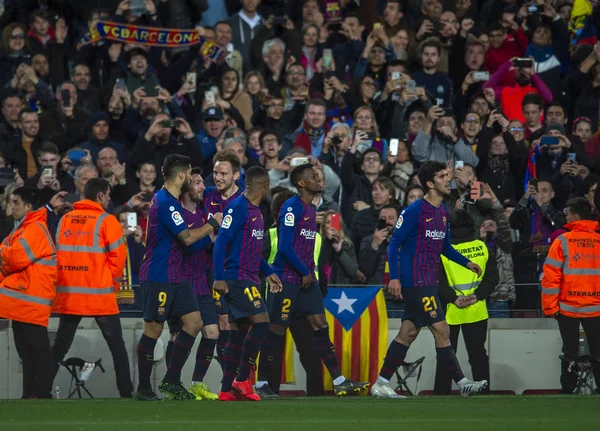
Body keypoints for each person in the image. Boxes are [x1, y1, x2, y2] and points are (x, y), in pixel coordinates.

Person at [371, 161, 488, 398]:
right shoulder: (413, 211)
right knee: (442, 329)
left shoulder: (443, 213)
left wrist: (467, 263)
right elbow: (394, 244)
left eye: (447, 175)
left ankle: (381, 383)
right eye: (443, 176)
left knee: (408, 332)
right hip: (415, 282)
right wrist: (394, 278)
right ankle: (462, 382)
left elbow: (445, 247)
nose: (448, 179)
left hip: (428, 281)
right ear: (429, 183)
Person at [256, 163, 369, 398]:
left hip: (307, 284)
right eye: (314, 177)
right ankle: (262, 384)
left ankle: (339, 380)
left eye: (320, 176)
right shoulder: (291, 208)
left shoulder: (310, 211)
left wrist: (308, 275)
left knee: (321, 327)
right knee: (275, 332)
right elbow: (285, 247)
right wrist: (304, 271)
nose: (320, 180)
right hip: (286, 281)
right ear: (301, 183)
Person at [135, 154, 223, 401]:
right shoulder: (164, 202)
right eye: (190, 175)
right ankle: (143, 388)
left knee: (194, 323)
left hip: (177, 275)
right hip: (159, 275)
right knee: (154, 329)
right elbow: (186, 238)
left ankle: (171, 381)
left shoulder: (170, 201)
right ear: (182, 175)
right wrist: (211, 224)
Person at [52, 178, 133, 398]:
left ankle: (39, 389)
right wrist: (111, 284)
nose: (108, 199)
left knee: (60, 346)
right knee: (117, 346)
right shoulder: (107, 221)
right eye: (107, 195)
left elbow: (58, 255)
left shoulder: (65, 219)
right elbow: (118, 259)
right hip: (99, 296)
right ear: (100, 196)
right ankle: (126, 392)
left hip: (70, 295)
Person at [212, 166, 283, 401]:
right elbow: (221, 242)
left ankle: (225, 390)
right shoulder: (238, 207)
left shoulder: (256, 211)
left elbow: (252, 250)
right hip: (237, 278)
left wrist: (269, 271)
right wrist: (219, 277)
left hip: (250, 275)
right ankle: (242, 379)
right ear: (265, 186)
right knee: (262, 323)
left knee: (237, 335)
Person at [168, 167, 220, 400]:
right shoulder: (177, 213)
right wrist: (209, 234)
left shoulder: (203, 214)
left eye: (202, 182)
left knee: (212, 331)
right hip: (180, 283)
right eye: (197, 182)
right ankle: (172, 383)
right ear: (186, 186)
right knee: (177, 335)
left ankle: (197, 383)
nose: (202, 187)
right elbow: (187, 245)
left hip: (201, 283)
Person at [434, 209, 499, 395]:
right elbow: (492, 278)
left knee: (446, 354)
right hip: (476, 308)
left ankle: (441, 393)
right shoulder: (482, 246)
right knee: (478, 355)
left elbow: (438, 281)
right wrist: (477, 296)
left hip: (449, 309)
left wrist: (454, 298)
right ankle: (483, 392)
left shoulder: (443, 249)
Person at [0, 187, 56, 399]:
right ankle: (30, 395)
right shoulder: (23, 229)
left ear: (29, 207)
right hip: (22, 302)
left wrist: (4, 252)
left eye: (16, 203)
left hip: (31, 302)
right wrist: (6, 253)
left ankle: (42, 394)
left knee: (38, 352)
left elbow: (13, 258)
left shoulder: (35, 229)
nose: (12, 207)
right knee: (28, 354)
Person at [541, 197, 600, 393]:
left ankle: (567, 390)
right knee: (598, 351)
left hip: (567, 308)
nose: (565, 217)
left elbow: (551, 277)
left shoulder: (562, 241)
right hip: (596, 309)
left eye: (567, 213)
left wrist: (550, 307)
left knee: (570, 352)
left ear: (574, 215)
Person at [202, 151, 243, 365]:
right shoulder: (207, 195)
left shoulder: (244, 201)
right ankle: (230, 374)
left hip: (238, 271)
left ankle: (237, 374)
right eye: (215, 172)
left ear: (235, 176)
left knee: (241, 323)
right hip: (210, 270)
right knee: (223, 321)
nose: (218, 178)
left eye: (223, 174)